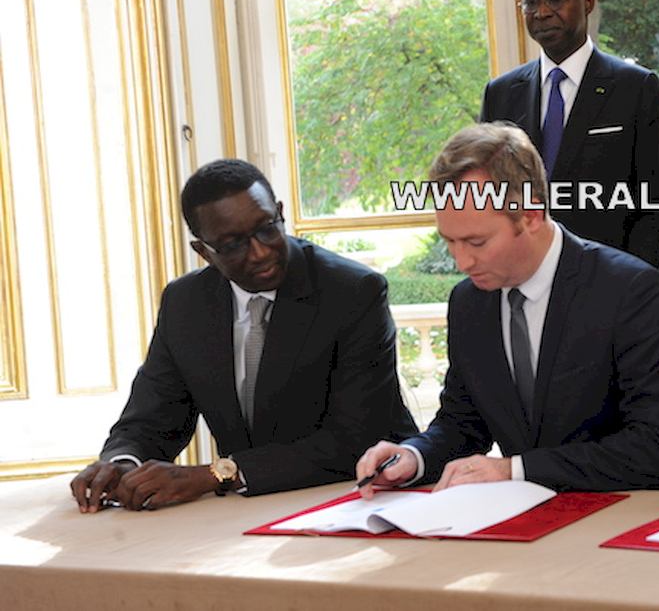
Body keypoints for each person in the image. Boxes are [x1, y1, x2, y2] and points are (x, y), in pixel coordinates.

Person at [356, 123, 659, 493]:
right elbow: (463, 423)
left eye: (476, 241)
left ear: (531, 215)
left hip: (635, 512)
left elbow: (658, 445)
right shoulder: (468, 303)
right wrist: (413, 456)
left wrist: (515, 470)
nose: (462, 261)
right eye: (449, 241)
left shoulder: (631, 291)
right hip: (524, 522)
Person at [70, 160, 416, 512]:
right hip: (250, 509)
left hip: (364, 499)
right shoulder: (184, 304)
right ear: (203, 251)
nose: (261, 251)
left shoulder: (353, 291)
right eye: (233, 244)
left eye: (267, 228)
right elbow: (152, 416)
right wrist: (122, 464)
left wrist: (219, 474)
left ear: (279, 213)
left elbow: (355, 438)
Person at [481, 0, 659, 268]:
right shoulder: (500, 95)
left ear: (588, 1)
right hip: (522, 278)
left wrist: (627, 285)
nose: (541, 12)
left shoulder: (635, 88)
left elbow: (658, 204)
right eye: (531, 2)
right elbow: (487, 199)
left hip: (612, 283)